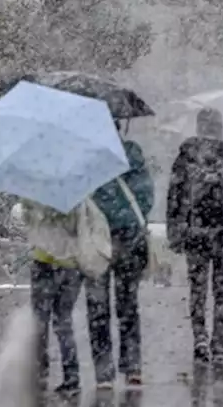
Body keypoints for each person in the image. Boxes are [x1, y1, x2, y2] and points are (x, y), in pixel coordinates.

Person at [166, 107, 223, 365]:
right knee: (221, 287)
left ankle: (200, 339)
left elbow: (174, 196)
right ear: (221, 126)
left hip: (195, 230)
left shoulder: (186, 156)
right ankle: (219, 344)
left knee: (197, 287)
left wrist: (175, 231)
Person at [86, 125, 155, 389]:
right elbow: (146, 196)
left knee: (97, 307)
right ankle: (132, 366)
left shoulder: (88, 159)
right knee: (128, 306)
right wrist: (128, 220)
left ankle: (104, 372)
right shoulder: (132, 155)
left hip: (97, 242)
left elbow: (79, 201)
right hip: (129, 239)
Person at [22, 200, 84, 397]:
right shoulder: (77, 193)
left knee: (40, 322)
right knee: (63, 322)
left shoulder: (36, 193)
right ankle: (72, 376)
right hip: (71, 264)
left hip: (44, 263)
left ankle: (40, 375)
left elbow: (27, 220)